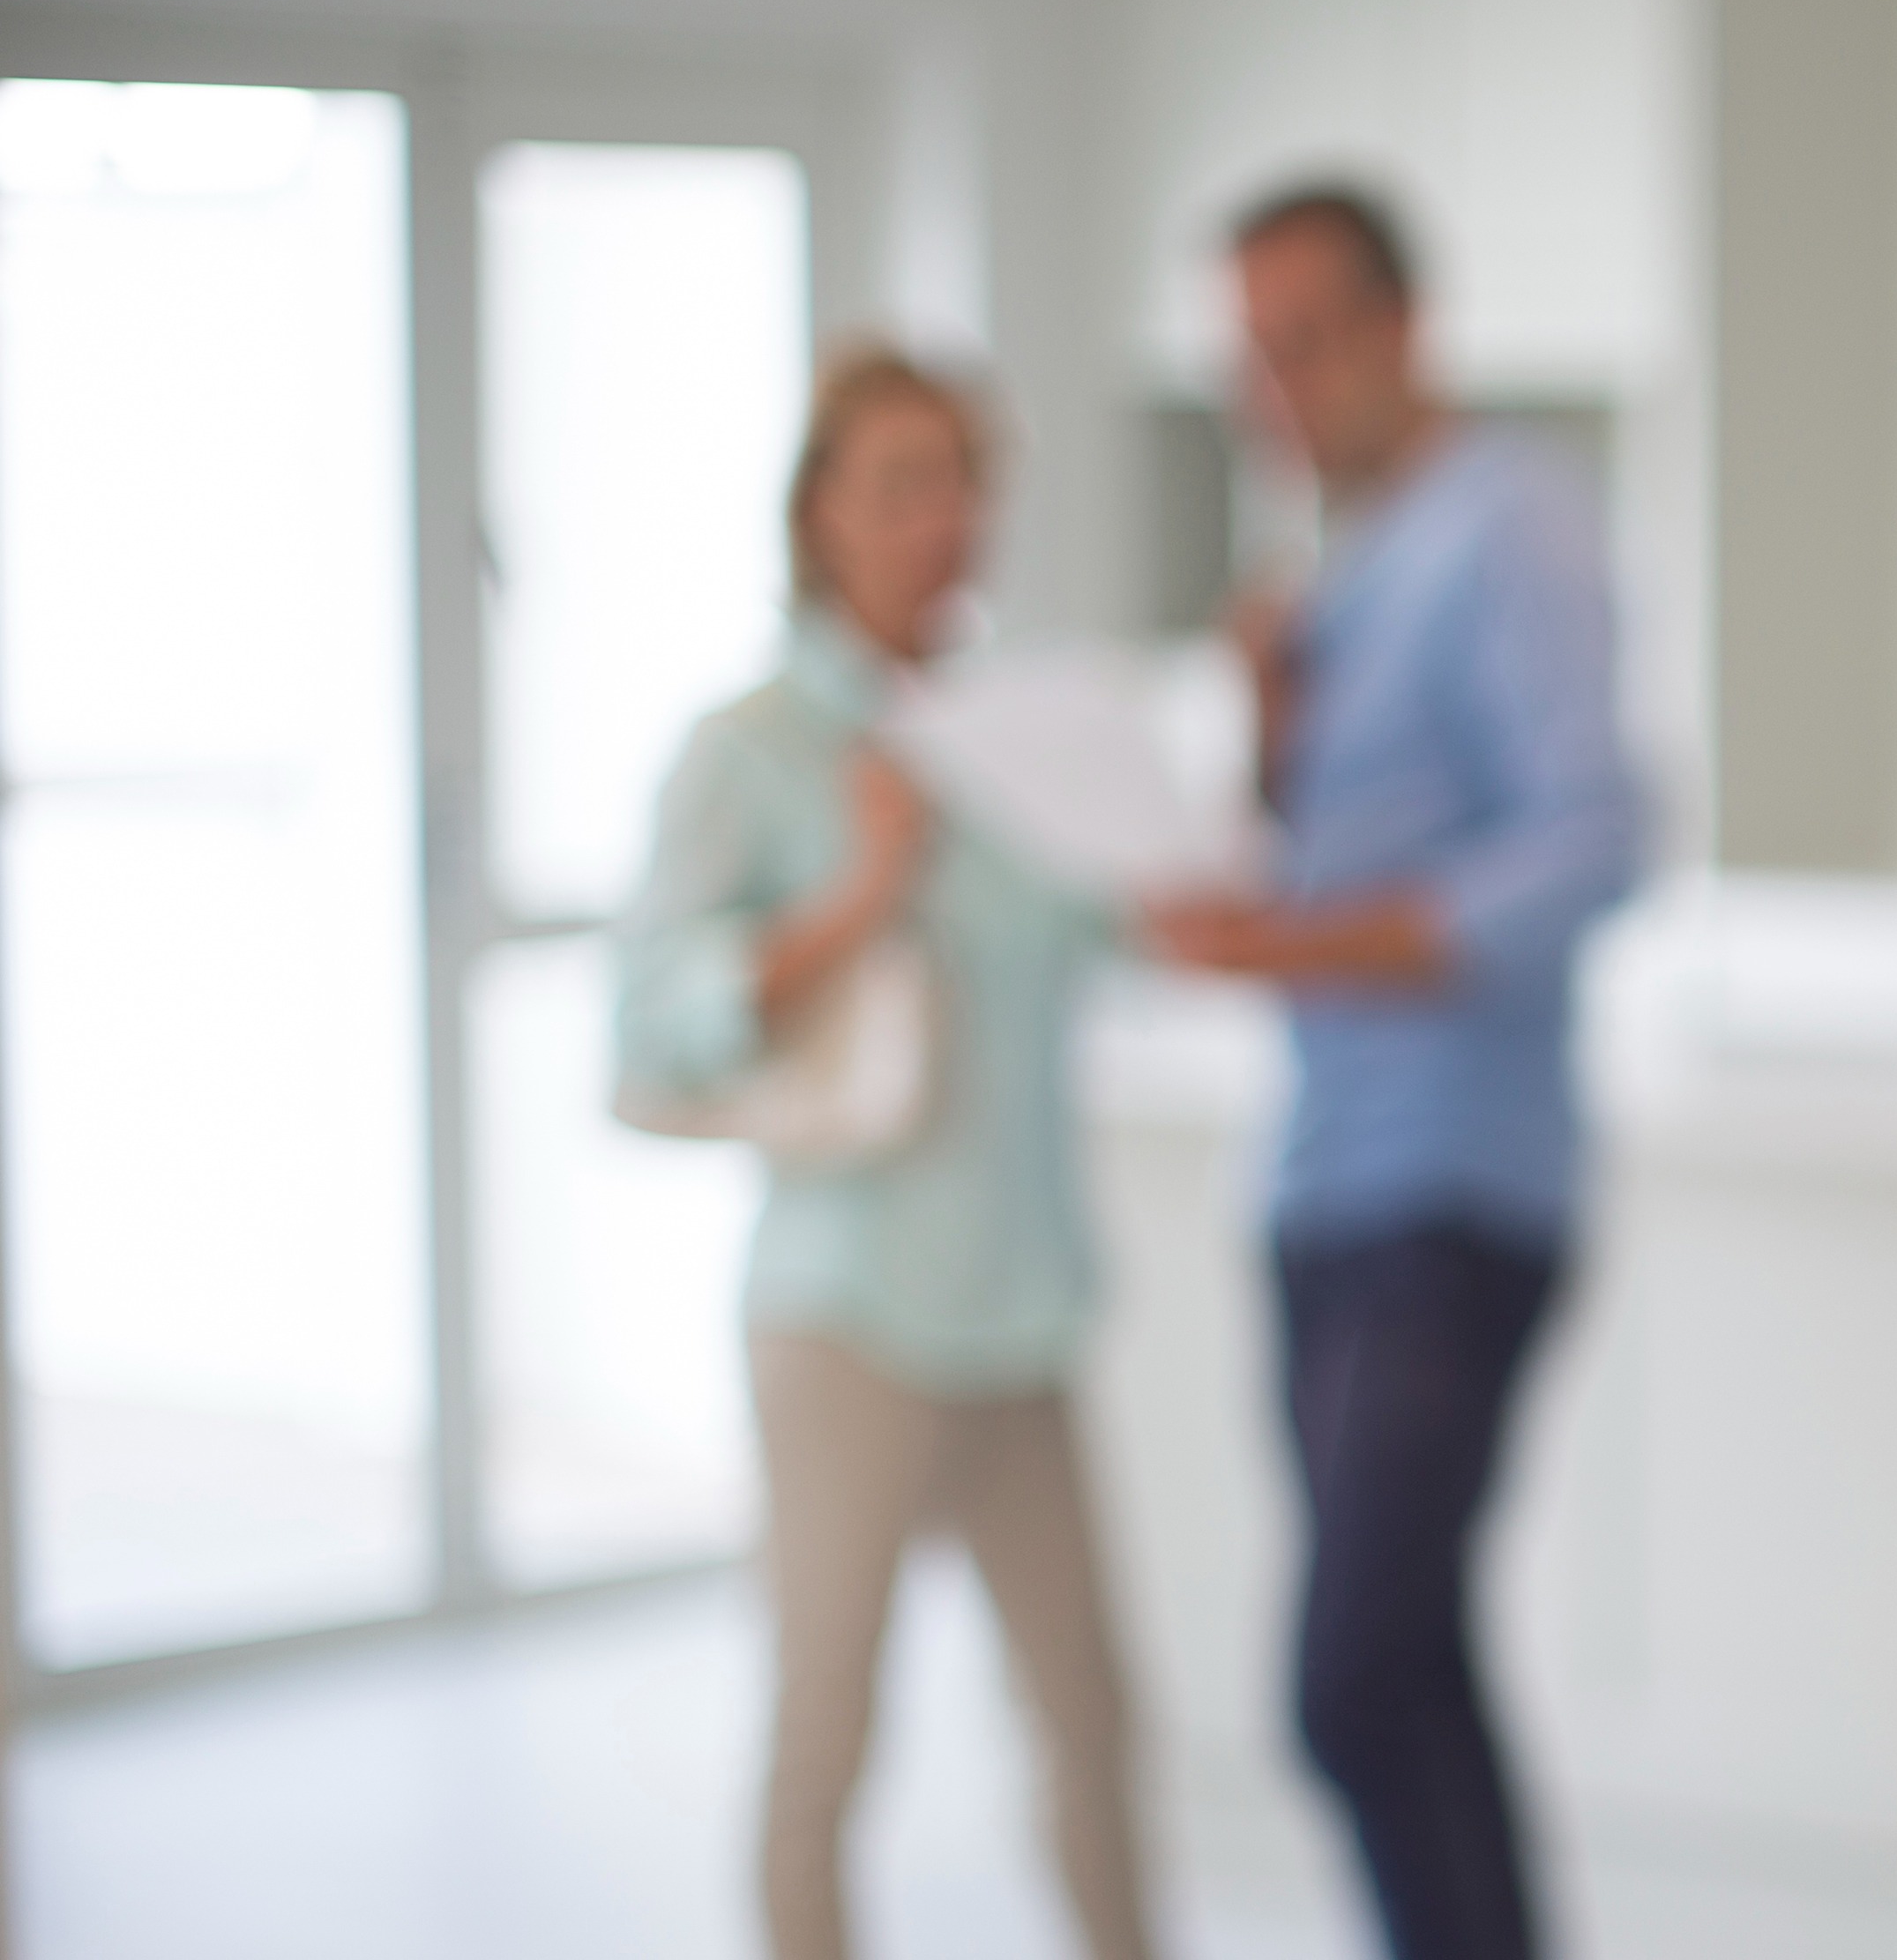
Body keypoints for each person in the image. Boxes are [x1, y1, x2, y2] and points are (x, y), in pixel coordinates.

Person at [1142, 185, 1643, 1960]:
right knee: (1411, 1670)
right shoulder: (1344, 565)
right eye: (1249, 359)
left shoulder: (1511, 522)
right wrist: (1270, 737)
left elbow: (1590, 844)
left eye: (1304, 344)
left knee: (1349, 1675)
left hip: (1459, 1184)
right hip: (1321, 1182)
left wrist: (1287, 947)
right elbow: (1323, 849)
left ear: (1401, 328)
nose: (1273, 393)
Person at [615, 347, 1157, 1960]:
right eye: (901, 484)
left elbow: (1128, 924)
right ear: (821, 515)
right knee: (827, 1737)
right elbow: (654, 1022)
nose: (944, 520)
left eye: (964, 481)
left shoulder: (1022, 734)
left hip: (1022, 1304)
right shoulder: (752, 747)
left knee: (1094, 1728)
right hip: (848, 1308)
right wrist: (858, 893)